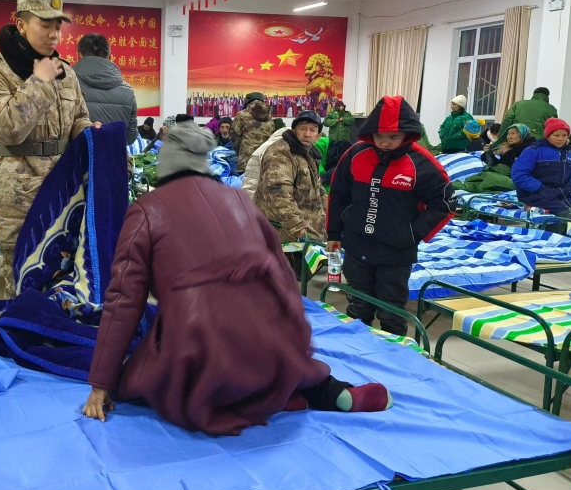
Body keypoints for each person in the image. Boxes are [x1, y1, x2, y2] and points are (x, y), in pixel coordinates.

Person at [82, 121, 392, 435]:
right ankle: (311, 389)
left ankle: (247, 398)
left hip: (203, 346)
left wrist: (101, 382)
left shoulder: (146, 211)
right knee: (266, 336)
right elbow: (284, 279)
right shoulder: (240, 200)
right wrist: (296, 341)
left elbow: (124, 301)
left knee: (143, 377)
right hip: (273, 345)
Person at [0, 0, 93, 297]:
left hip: (64, 184)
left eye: (59, 27)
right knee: (21, 274)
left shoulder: (66, 72)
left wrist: (93, 134)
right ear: (21, 24)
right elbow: (5, 129)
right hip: (18, 191)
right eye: (45, 25)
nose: (54, 35)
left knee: (63, 268)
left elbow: (78, 117)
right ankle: (20, 336)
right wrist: (38, 82)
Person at [327, 96, 456, 335]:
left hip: (396, 252)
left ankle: (395, 362)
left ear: (407, 134)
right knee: (358, 306)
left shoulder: (421, 162)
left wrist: (412, 233)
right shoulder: (356, 154)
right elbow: (337, 194)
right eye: (379, 136)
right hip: (356, 245)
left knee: (391, 311)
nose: (385, 143)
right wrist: (334, 232)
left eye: (393, 137)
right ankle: (356, 356)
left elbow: (445, 203)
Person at [254, 110, 327, 244]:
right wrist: (297, 228)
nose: (307, 134)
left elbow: (316, 188)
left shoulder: (308, 153)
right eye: (303, 128)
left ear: (318, 136)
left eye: (312, 130)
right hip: (283, 234)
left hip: (308, 229)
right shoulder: (281, 153)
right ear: (294, 130)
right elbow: (278, 192)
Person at [512, 118, 571, 218]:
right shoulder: (533, 151)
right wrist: (541, 189)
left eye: (564, 135)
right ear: (548, 136)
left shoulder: (570, 155)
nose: (560, 139)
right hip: (535, 196)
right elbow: (519, 175)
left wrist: (570, 187)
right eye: (556, 135)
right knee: (570, 216)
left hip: (561, 195)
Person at [74, 33, 138, 145]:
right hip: (113, 160)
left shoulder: (65, 85)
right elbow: (130, 137)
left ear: (79, 55)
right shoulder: (127, 91)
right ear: (110, 57)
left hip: (76, 160)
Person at [230, 91, 276, 174]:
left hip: (246, 162)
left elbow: (234, 137)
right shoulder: (270, 119)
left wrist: (239, 153)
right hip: (265, 162)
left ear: (247, 101)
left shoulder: (241, 115)